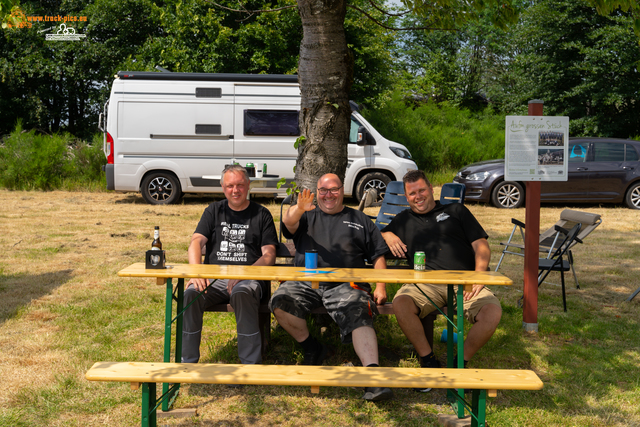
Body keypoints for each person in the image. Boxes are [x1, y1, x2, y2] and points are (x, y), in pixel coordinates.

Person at [269, 173, 393, 402]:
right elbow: (288, 223)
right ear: (317, 193)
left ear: (342, 190)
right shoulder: (306, 215)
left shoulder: (360, 219)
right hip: (305, 283)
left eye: (334, 189)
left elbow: (378, 256)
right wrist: (299, 208)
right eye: (323, 191)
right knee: (280, 301)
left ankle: (374, 378)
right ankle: (312, 347)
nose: (329, 195)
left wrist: (381, 286)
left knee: (358, 308)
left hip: (347, 285)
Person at [381, 170, 501, 391]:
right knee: (401, 304)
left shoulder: (456, 210)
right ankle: (428, 361)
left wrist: (479, 275)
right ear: (406, 197)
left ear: (431, 189)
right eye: (412, 193)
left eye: (422, 190)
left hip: (463, 282)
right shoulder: (403, 220)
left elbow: (481, 245)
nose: (418, 196)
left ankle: (460, 363)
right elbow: (373, 237)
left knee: (492, 312)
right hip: (423, 284)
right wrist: (386, 234)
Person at [182, 165, 278, 366]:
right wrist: (196, 272)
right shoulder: (213, 211)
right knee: (190, 294)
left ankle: (250, 365)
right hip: (214, 279)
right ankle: (187, 363)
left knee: (242, 293)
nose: (235, 190)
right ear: (222, 187)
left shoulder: (262, 214)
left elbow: (269, 256)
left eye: (240, 185)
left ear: (249, 185)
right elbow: (196, 243)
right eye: (230, 186)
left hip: (249, 279)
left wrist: (244, 274)